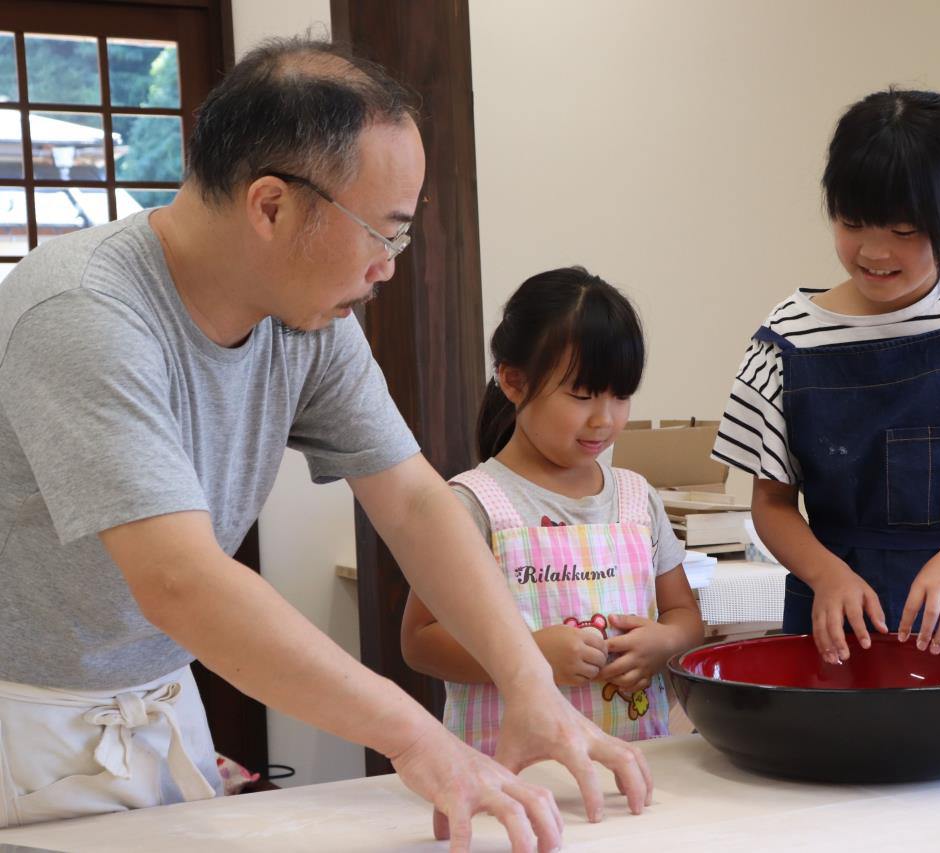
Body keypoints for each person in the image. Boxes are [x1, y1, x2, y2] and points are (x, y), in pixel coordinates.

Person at [0, 38, 650, 851]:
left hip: (158, 699)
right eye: (384, 233)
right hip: (26, 721)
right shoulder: (84, 313)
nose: (387, 267)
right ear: (270, 206)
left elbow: (412, 499)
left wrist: (529, 683)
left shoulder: (305, 314)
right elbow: (181, 580)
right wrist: (418, 737)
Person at [712, 89, 940, 666]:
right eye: (852, 222)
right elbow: (772, 504)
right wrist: (827, 575)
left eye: (905, 229)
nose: (874, 251)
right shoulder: (787, 337)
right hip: (831, 621)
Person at [402, 267, 704, 756]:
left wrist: (665, 642)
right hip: (511, 778)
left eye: (620, 396)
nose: (604, 419)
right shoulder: (472, 504)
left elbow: (684, 614)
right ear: (514, 382)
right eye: (582, 396)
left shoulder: (636, 499)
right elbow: (420, 641)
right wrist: (527, 656)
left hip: (633, 765)